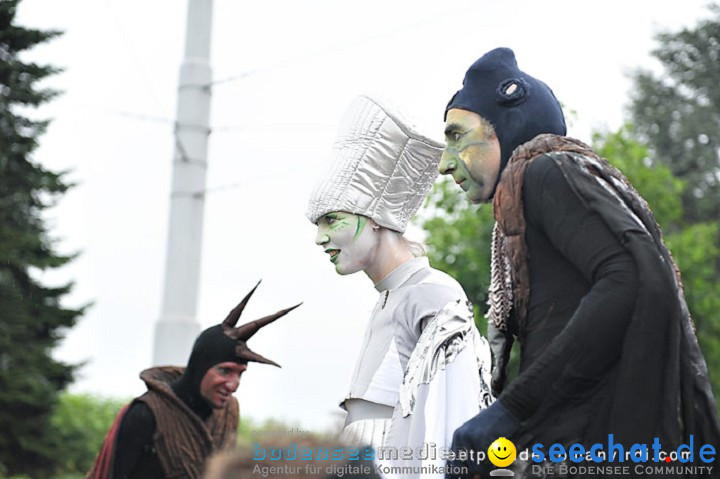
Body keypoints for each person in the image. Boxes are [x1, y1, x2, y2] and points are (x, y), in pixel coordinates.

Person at [439, 47, 720, 477]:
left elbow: (632, 275)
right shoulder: (531, 192)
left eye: (457, 135)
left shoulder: (543, 171)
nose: (444, 164)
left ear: (507, 125)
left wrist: (510, 412)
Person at [306, 95, 493, 476]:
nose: (320, 238)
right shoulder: (387, 298)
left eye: (332, 219)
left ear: (374, 217)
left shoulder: (433, 292)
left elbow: (451, 419)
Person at [86, 283, 300, 479]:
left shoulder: (229, 413)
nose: (233, 384)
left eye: (240, 373)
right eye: (225, 371)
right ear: (200, 366)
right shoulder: (145, 414)